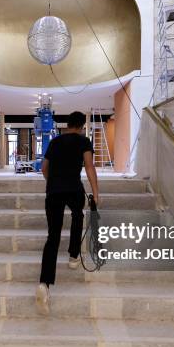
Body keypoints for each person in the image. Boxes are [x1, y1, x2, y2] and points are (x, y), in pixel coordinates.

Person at [36, 111, 99, 315]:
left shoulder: (55, 141)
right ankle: (73, 255)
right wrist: (96, 194)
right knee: (78, 216)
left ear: (67, 124)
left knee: (52, 236)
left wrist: (53, 183)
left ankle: (44, 283)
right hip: (74, 188)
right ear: (81, 126)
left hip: (53, 191)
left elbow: (44, 168)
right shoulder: (83, 141)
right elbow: (89, 167)